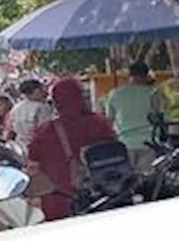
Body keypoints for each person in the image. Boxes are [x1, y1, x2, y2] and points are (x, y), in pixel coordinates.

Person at [27, 77, 118, 222]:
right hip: (100, 199)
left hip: (59, 204)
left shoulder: (44, 131)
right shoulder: (100, 124)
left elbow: (33, 163)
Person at [101, 62, 159, 172]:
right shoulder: (154, 93)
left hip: (124, 145)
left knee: (128, 184)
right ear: (146, 75)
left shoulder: (115, 93)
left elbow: (108, 121)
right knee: (148, 185)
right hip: (150, 143)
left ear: (129, 75)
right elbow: (160, 117)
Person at [9, 79, 53, 152]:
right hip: (38, 146)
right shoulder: (42, 107)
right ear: (36, 91)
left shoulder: (16, 107)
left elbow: (12, 127)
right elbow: (45, 128)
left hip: (20, 146)